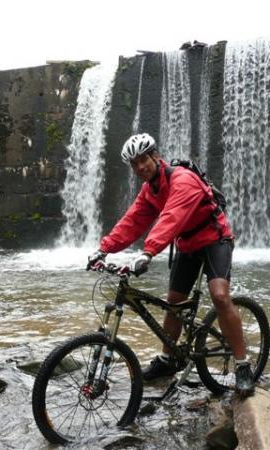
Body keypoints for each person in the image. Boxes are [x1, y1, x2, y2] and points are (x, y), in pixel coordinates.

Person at [87, 133, 255, 396]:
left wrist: (148, 252)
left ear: (155, 156)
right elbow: (132, 222)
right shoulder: (149, 191)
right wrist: (103, 249)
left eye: (143, 159)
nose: (140, 167)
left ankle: (243, 365)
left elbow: (172, 217)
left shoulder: (183, 179)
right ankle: (168, 360)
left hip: (214, 239)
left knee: (220, 297)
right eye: (134, 164)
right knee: (174, 302)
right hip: (187, 245)